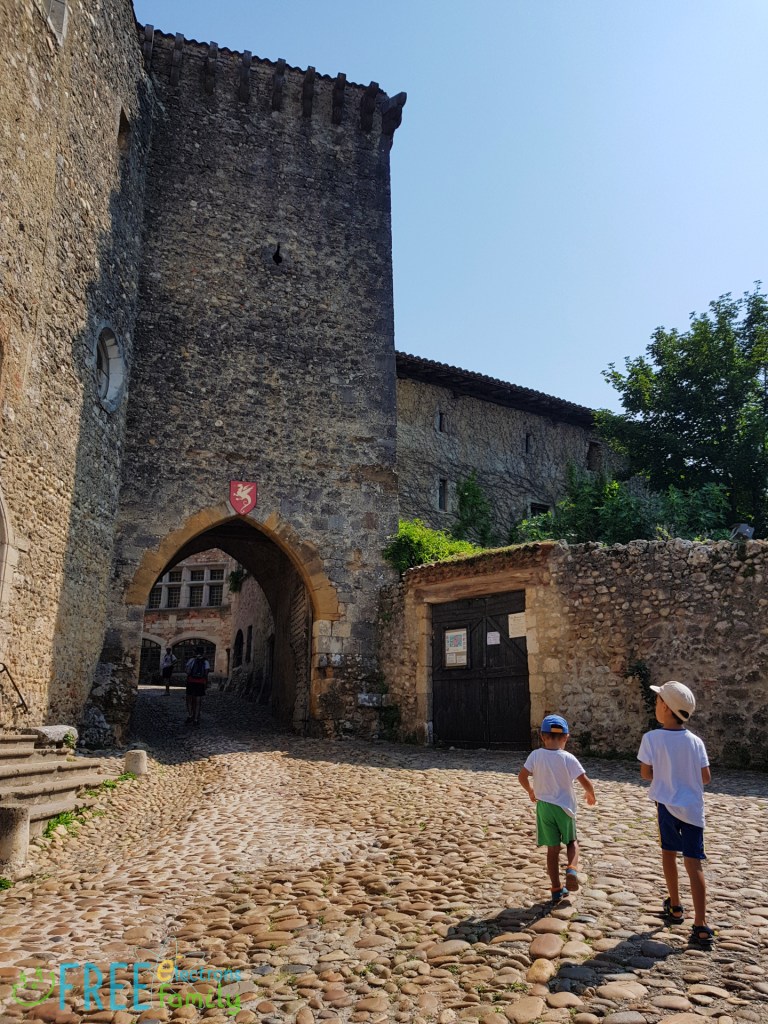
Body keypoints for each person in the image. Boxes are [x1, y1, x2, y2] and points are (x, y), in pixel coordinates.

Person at [638, 680, 713, 948]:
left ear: (668, 709)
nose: (656, 705)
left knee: (668, 853)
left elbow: (646, 774)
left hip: (666, 807)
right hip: (693, 809)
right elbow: (705, 777)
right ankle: (702, 925)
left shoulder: (652, 738)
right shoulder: (696, 742)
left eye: (658, 701)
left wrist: (666, 774)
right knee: (694, 864)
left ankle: (676, 906)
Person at [518, 714, 596, 903]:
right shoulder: (568, 757)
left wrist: (530, 790)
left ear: (542, 736)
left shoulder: (535, 755)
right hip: (564, 807)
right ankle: (571, 869)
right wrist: (591, 794)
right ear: (566, 738)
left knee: (552, 850)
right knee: (572, 842)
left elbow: (522, 776)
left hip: (544, 807)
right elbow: (584, 781)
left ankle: (555, 889)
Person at [184, 646, 210, 726]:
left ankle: (190, 715)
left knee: (189, 699)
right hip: (200, 682)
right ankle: (196, 719)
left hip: (191, 681)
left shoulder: (191, 660)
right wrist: (206, 683)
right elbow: (206, 674)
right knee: (198, 701)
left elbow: (187, 671)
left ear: (195, 652)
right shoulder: (206, 662)